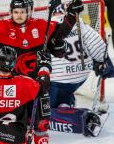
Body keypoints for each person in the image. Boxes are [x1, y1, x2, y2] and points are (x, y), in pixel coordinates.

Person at [0, 0, 83, 143]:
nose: (19, 15)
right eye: (16, 12)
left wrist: (71, 16)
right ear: (11, 12)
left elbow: (60, 33)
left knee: (41, 126)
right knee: (16, 129)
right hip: (12, 88)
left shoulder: (41, 25)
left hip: (36, 85)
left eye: (22, 11)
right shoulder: (2, 27)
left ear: (29, 11)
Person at [49, 8, 114, 136]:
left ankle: (80, 117)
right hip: (82, 75)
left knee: (43, 109)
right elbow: (95, 43)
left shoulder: (50, 26)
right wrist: (103, 61)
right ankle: (67, 102)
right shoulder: (80, 24)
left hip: (59, 79)